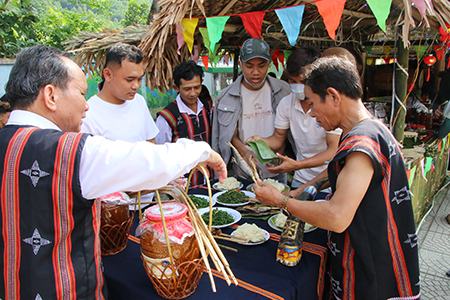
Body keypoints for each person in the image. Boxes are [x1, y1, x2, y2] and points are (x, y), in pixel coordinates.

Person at [0, 45, 226, 299]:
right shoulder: (69, 151)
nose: (86, 106)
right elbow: (143, 161)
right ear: (51, 95)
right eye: (81, 93)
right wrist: (202, 151)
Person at [254, 57, 420, 299]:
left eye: (312, 104)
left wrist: (281, 201)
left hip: (375, 275)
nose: (311, 113)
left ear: (332, 96)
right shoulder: (370, 129)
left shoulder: (363, 143)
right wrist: (306, 187)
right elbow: (340, 175)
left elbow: (337, 217)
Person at [249, 47, 340, 192]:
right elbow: (278, 138)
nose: (298, 86)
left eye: (302, 81)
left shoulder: (328, 104)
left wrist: (298, 165)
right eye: (292, 81)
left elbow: (333, 151)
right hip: (300, 179)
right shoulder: (286, 104)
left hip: (327, 180)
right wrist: (259, 142)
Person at [212, 38, 291, 179]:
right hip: (243, 170)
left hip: (277, 168)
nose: (255, 72)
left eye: (261, 66)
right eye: (249, 66)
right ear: (240, 64)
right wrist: (245, 152)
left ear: (269, 64)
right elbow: (229, 135)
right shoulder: (225, 97)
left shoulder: (284, 90)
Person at [81, 42, 159, 142]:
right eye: (129, 79)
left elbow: (151, 141)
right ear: (108, 74)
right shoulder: (88, 115)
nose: (136, 86)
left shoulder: (139, 101)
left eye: (139, 79)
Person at [155, 61, 212, 186]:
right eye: (187, 89)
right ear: (176, 87)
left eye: (197, 87)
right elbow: (161, 155)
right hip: (182, 186)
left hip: (209, 181)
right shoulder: (166, 118)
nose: (193, 93)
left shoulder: (207, 108)